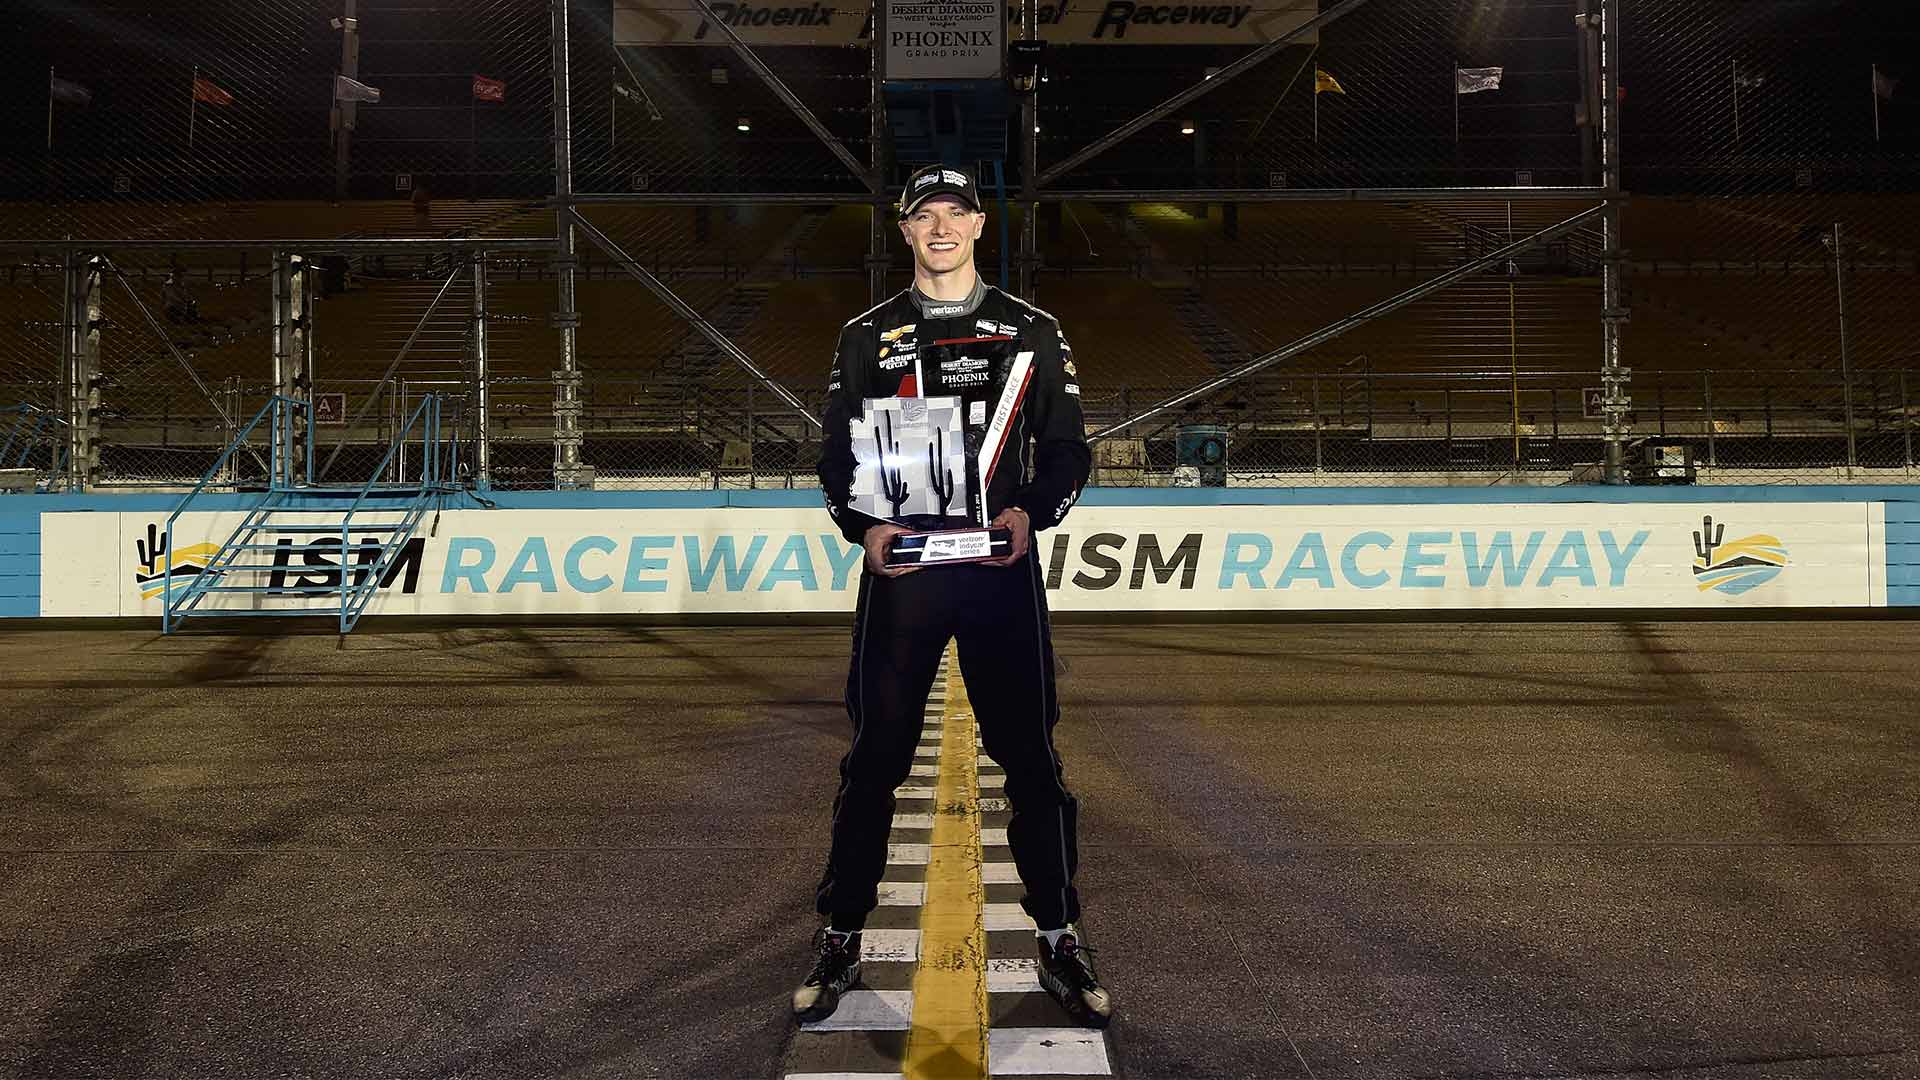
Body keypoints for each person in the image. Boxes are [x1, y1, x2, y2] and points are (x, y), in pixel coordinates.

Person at [795, 163, 1110, 1029]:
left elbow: (1068, 449)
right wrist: (862, 528)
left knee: (1033, 763)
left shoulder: (1031, 331)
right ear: (903, 230)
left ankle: (1058, 933)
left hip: (998, 574)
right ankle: (843, 931)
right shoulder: (866, 335)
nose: (941, 228)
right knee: (876, 763)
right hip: (904, 579)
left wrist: (1032, 515)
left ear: (979, 227)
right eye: (923, 215)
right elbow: (833, 457)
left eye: (956, 214)